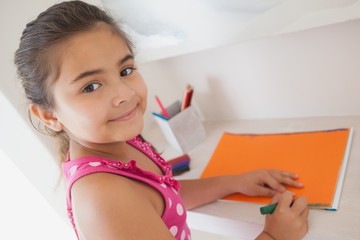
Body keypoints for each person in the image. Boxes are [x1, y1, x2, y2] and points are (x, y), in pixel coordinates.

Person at [14, 1, 309, 239]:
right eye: (91, 86)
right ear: (48, 115)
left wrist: (233, 181)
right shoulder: (103, 196)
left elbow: (165, 194)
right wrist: (275, 237)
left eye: (126, 70)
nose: (124, 94)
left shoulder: (120, 143)